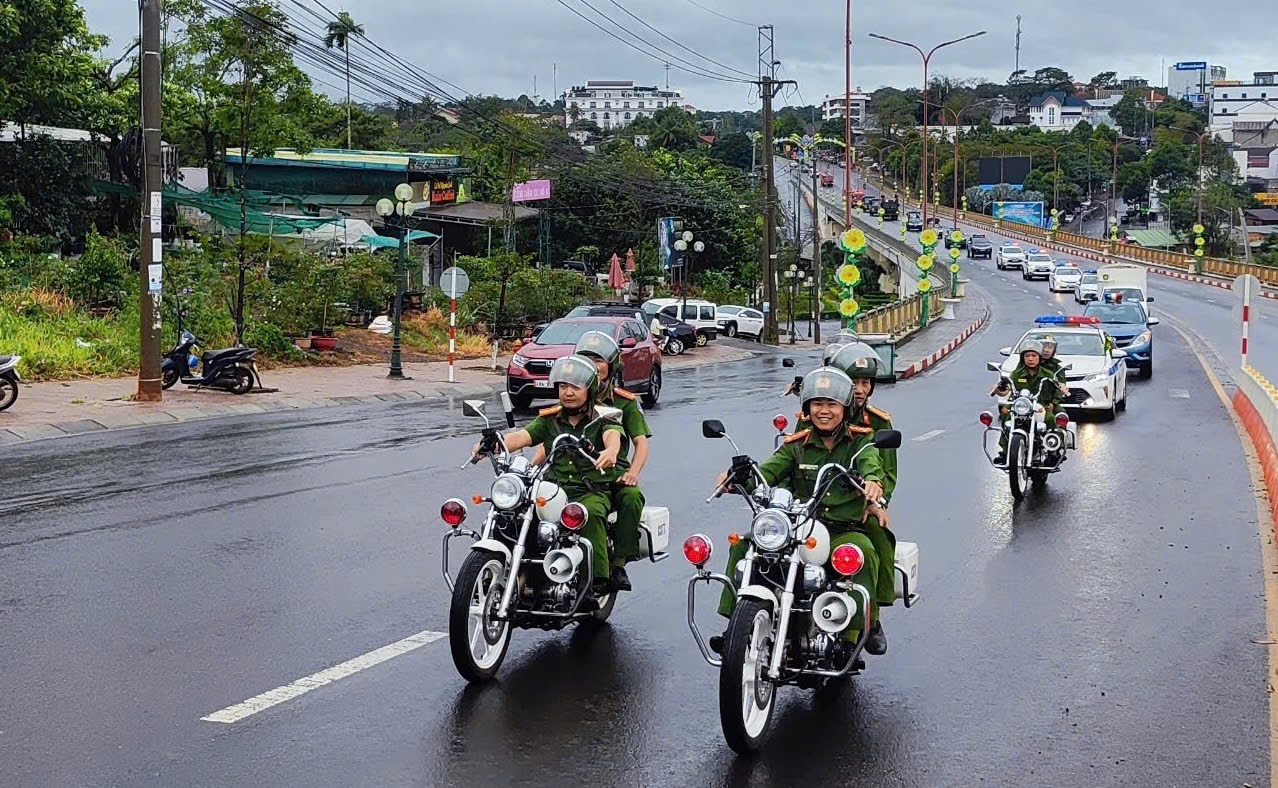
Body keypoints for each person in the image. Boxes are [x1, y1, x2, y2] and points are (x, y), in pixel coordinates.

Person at [711, 368, 890, 656]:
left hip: (843, 529)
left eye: (831, 405)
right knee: (744, 547)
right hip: (800, 526)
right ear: (807, 408)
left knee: (863, 554)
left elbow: (872, 466)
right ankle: (736, 627)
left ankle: (855, 633)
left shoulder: (861, 442)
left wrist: (872, 484)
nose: (824, 411)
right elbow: (768, 471)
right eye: (817, 404)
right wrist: (737, 478)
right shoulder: (796, 446)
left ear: (844, 408)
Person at [483, 355, 623, 592]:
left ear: (590, 389)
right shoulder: (549, 420)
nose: (567, 392)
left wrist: (610, 451)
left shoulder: (603, 417)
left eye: (575, 387)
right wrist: (492, 444)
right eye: (563, 386)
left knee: (591, 515)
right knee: (514, 514)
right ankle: (511, 569)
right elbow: (522, 437)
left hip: (590, 491)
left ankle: (598, 581)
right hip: (552, 489)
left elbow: (613, 436)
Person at [570, 330, 650, 592]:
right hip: (572, 472)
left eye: (598, 359)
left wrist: (633, 473)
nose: (592, 365)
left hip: (612, 472)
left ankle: (617, 564)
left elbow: (641, 443)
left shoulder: (624, 403)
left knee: (631, 497)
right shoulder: (571, 396)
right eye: (585, 358)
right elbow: (547, 436)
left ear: (611, 366)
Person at [830, 344, 897, 613]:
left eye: (865, 382)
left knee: (878, 541)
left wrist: (877, 501)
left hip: (859, 502)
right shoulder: (817, 415)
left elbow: (887, 472)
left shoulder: (878, 423)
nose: (859, 389)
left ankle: (874, 614)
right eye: (853, 382)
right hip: (814, 501)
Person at [992, 339, 1063, 464]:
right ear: (1023, 358)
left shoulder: (1048, 374)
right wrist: (998, 390)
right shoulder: (1016, 374)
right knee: (1005, 415)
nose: (1030, 359)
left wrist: (1054, 402)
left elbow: (1058, 390)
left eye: (1034, 356)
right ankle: (1004, 451)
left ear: (1039, 358)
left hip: (1042, 406)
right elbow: (1008, 390)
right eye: (1027, 356)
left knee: (1051, 418)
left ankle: (1053, 452)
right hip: (1022, 406)